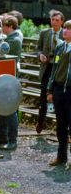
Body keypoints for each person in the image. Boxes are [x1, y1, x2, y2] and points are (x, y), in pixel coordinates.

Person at [47, 19, 71, 168]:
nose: (65, 31)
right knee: (61, 126)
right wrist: (50, 89)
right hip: (59, 90)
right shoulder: (61, 47)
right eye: (65, 29)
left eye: (69, 29)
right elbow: (54, 69)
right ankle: (61, 157)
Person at [36, 10, 64, 134]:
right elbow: (38, 49)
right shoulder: (44, 33)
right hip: (47, 69)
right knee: (43, 97)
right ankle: (40, 122)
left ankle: (61, 128)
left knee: (59, 98)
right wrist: (40, 55)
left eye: (57, 20)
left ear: (62, 22)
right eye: (53, 20)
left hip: (59, 70)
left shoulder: (66, 34)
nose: (54, 22)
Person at [0, 14, 21, 150]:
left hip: (9, 79)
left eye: (3, 26)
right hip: (4, 78)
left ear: (9, 26)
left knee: (10, 110)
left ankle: (12, 140)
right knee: (1, 107)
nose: (1, 29)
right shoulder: (10, 38)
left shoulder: (13, 40)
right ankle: (2, 136)